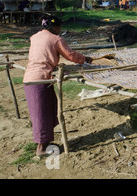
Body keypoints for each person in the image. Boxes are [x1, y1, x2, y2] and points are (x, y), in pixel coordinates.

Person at [23, 15, 93, 156]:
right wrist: (85, 59)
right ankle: (42, 149)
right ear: (55, 27)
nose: (60, 30)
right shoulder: (56, 39)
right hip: (39, 80)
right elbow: (70, 55)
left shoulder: (35, 37)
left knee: (46, 110)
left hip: (33, 78)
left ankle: (45, 143)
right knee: (42, 113)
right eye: (59, 27)